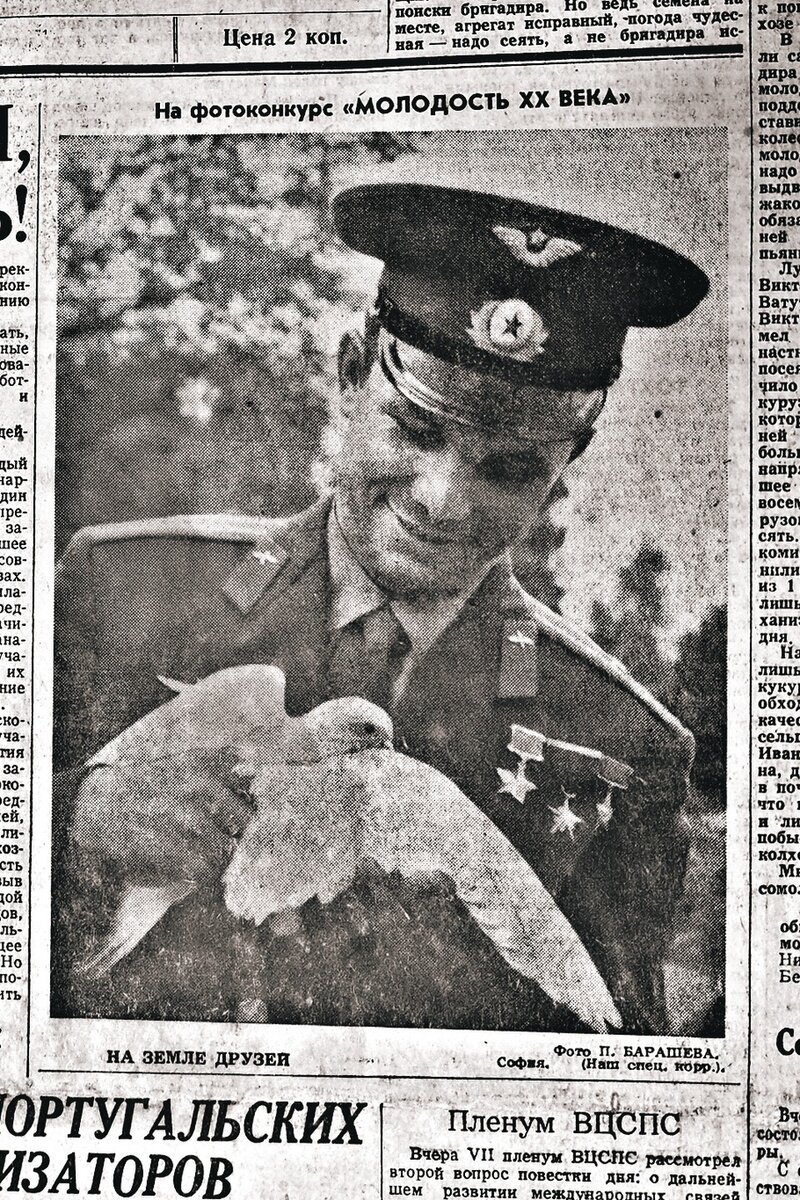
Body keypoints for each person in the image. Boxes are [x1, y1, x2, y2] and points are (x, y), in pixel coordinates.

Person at [52, 183, 710, 1033]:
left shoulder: (621, 741)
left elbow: (617, 1049)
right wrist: (74, 815)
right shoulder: (122, 585)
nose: (442, 500)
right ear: (352, 374)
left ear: (565, 464)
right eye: (416, 430)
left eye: (508, 471)